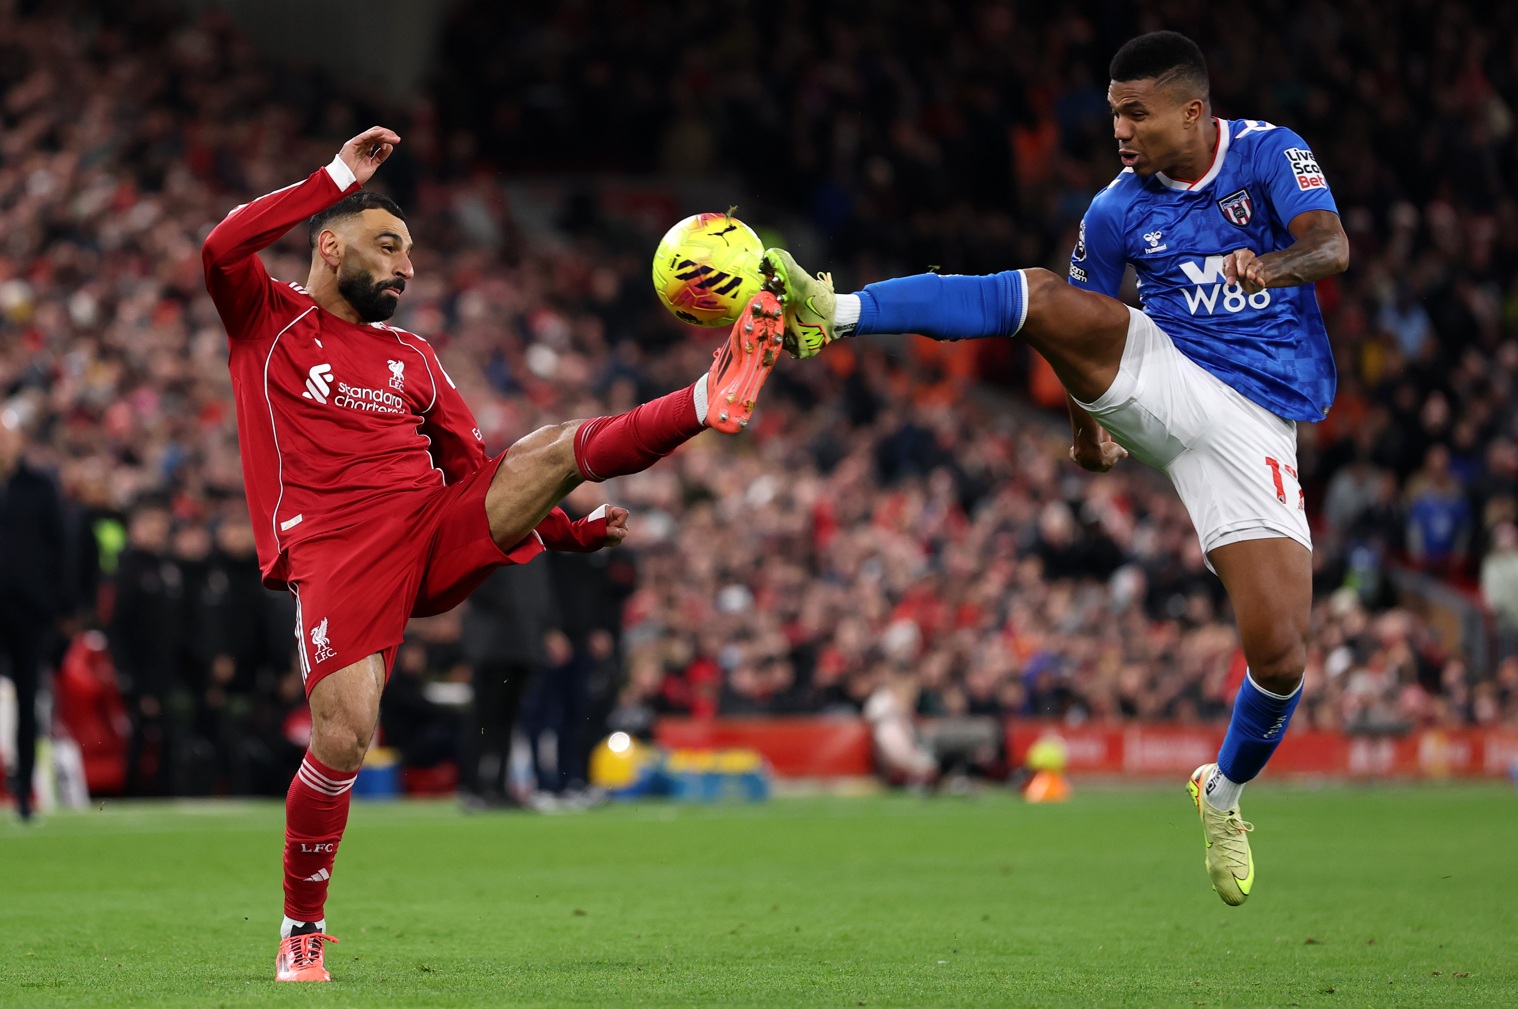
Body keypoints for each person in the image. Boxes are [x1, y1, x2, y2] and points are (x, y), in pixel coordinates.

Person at [763, 31, 1349, 906]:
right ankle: (838, 308)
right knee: (1038, 294)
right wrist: (1086, 433)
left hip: (1257, 419)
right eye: (1113, 110)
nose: (1119, 127)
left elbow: (1331, 246)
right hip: (1165, 372)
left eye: (1135, 112)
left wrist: (1268, 263)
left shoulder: (1270, 153)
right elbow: (1080, 330)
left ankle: (1221, 792)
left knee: (1281, 655)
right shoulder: (1115, 209)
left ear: (1192, 110)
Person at [200, 125, 785, 982]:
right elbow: (220, 245)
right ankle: (301, 930)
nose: (406, 266)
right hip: (334, 552)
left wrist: (571, 530)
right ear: (328, 243)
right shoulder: (267, 319)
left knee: (547, 448)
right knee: (345, 738)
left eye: (411, 254)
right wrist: (332, 175)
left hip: (429, 525)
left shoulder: (415, 358)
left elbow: (481, 476)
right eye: (388, 245)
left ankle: (707, 393)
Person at [0, 403, 70, 822]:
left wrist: (60, 605)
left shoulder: (40, 487)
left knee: (29, 702)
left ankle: (25, 792)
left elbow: (59, 547)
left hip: (28, 611)